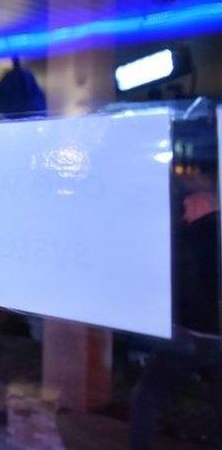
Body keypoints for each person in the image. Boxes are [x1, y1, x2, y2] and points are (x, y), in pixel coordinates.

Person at [130, 169, 222, 449]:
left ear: (201, 204)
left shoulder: (189, 239)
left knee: (147, 397)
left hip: (187, 335)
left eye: (186, 208)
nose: (183, 215)